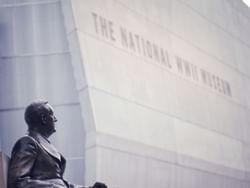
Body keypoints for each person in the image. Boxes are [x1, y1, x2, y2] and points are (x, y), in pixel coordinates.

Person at [8, 100, 107, 188]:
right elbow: (18, 183)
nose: (55, 119)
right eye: (52, 115)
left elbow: (63, 184)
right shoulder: (27, 143)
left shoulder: (44, 145)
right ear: (44, 118)